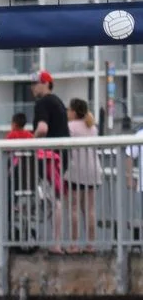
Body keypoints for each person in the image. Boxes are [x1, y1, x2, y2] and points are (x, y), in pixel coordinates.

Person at [66, 96, 102, 242]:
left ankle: (74, 244)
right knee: (90, 209)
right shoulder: (93, 127)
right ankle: (91, 244)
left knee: (74, 208)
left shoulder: (70, 127)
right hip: (93, 170)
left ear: (74, 112)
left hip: (76, 170)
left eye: (69, 109)